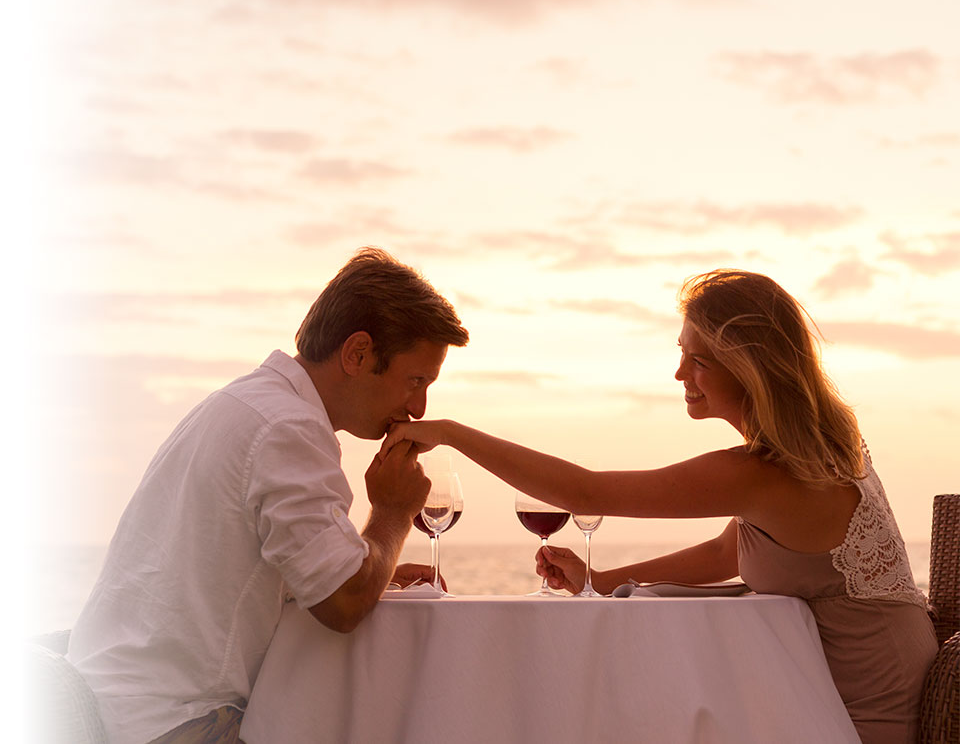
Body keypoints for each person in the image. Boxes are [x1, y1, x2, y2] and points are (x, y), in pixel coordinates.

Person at [380, 269, 937, 744]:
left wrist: (452, 433)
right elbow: (729, 549)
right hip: (865, 682)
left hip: (870, 713)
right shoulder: (819, 447)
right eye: (681, 353)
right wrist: (602, 577)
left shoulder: (764, 475)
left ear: (747, 369)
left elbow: (586, 493)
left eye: (698, 361)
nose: (679, 375)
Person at [67, 247, 469, 744]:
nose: (418, 406)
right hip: (173, 724)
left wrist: (373, 567)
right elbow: (343, 603)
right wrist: (392, 514)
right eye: (415, 380)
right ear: (358, 353)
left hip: (116, 705)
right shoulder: (289, 430)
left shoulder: (243, 402)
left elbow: (248, 569)